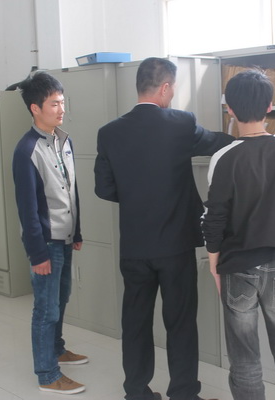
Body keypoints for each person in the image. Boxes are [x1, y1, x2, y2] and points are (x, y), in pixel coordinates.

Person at [94, 57, 234, 400]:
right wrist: (245, 135)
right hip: (175, 245)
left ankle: (136, 392)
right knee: (181, 322)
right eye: (173, 89)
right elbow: (215, 142)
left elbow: (104, 188)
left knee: (135, 323)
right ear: (165, 87)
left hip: (134, 247)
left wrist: (136, 196)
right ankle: (183, 393)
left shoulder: (109, 132)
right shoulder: (181, 124)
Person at [201, 69, 275, 400]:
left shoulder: (223, 158)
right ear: (269, 107)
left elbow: (214, 218)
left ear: (230, 109)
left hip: (237, 267)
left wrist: (214, 265)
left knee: (244, 356)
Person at [12, 72, 88, 395]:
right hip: (46, 242)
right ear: (35, 108)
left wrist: (77, 230)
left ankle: (57, 349)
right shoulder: (27, 150)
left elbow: (71, 190)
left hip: (66, 237)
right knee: (46, 308)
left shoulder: (64, 141)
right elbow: (27, 209)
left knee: (61, 298)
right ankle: (47, 374)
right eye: (54, 103)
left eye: (62, 102)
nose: (61, 109)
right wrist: (37, 253)